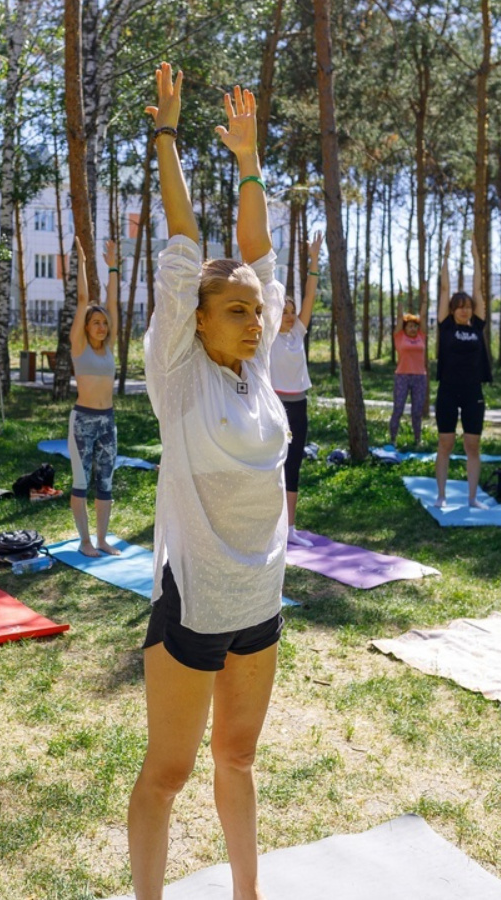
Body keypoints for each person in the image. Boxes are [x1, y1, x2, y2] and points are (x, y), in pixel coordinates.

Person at [127, 70, 285, 900]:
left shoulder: (255, 368)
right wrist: (169, 139)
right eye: (235, 310)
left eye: (258, 311)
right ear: (195, 316)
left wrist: (251, 158)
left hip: (260, 602)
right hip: (194, 603)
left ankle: (247, 895)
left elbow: (258, 256)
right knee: (168, 772)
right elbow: (187, 238)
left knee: (239, 758)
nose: (254, 321)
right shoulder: (179, 371)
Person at [66, 236, 124, 557]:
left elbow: (112, 304)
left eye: (104, 323)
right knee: (80, 482)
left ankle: (102, 539)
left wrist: (113, 267)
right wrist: (85, 263)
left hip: (108, 421)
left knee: (105, 483)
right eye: (96, 322)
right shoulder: (79, 347)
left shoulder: (109, 349)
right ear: (86, 327)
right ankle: (85, 540)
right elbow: (84, 298)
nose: (101, 326)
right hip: (83, 421)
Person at [270, 230, 322, 547]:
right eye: (284, 312)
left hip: (299, 405)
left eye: (292, 312)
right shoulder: (268, 338)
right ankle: (272, 527)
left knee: (294, 465)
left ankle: (289, 529)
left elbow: (311, 296)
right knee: (272, 465)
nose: (290, 316)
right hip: (276, 407)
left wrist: (314, 260)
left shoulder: (297, 333)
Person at [432, 243, 492, 509]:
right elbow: (444, 289)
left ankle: (472, 498)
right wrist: (444, 258)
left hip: (472, 393)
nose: (464, 310)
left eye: (467, 306)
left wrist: (477, 258)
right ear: (453, 310)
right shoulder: (445, 326)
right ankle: (441, 495)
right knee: (445, 442)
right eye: (459, 306)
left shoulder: (478, 326)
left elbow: (479, 290)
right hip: (447, 391)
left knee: (472, 444)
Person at [389, 284, 431, 447]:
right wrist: (400, 299)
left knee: (416, 412)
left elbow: (423, 315)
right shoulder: (399, 336)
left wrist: (425, 298)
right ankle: (392, 439)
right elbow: (400, 317)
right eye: (410, 326)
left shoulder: (421, 336)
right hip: (402, 376)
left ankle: (417, 440)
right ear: (405, 328)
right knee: (398, 408)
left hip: (420, 377)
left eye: (415, 326)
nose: (413, 328)